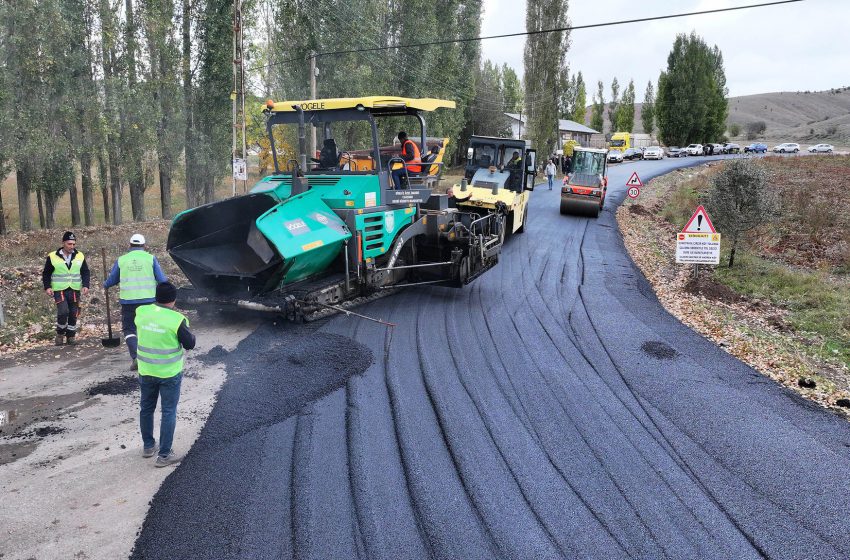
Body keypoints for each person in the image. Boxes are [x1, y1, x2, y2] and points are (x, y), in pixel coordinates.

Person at [135, 282, 195, 467]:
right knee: (168, 411)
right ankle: (164, 455)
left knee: (146, 408)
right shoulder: (176, 320)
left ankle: (148, 446)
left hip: (146, 371)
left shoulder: (141, 312)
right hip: (169, 374)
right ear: (174, 300)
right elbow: (190, 343)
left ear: (156, 296)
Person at [103, 234, 168, 370]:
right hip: (149, 301)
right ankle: (152, 358)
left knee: (129, 329)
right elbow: (162, 280)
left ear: (130, 245)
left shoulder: (122, 260)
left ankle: (136, 358)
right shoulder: (150, 259)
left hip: (128, 303)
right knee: (150, 327)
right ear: (144, 246)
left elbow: (113, 280)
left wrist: (106, 284)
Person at [42, 231, 90, 346]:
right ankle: (60, 334)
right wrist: (47, 287)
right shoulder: (52, 256)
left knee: (74, 313)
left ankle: (71, 336)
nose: (72, 246)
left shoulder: (80, 255)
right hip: (59, 290)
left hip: (74, 289)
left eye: (73, 244)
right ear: (63, 243)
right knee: (63, 312)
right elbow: (46, 273)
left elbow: (85, 272)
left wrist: (86, 285)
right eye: (69, 244)